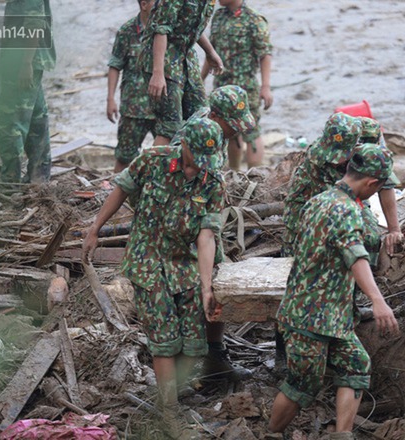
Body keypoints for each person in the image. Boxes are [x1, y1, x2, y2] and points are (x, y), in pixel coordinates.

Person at [82, 118, 225, 440]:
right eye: (197, 155)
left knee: (192, 342)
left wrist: (206, 287)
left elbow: (206, 236)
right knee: (164, 340)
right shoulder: (153, 160)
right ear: (184, 144)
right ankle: (169, 411)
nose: (201, 165)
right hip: (148, 261)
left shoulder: (212, 180)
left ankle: (174, 390)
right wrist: (94, 229)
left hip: (183, 263)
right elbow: (120, 191)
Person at [267, 145, 400, 440]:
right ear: (372, 184)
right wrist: (378, 301)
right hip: (310, 317)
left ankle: (342, 435)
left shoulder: (319, 200)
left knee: (356, 364)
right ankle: (271, 433)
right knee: (303, 383)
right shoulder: (346, 210)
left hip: (332, 316)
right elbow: (355, 256)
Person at [171, 84, 256, 381]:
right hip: (185, 223)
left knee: (216, 281)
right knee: (193, 288)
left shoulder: (216, 129)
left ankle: (214, 354)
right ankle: (189, 364)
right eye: (232, 126)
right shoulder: (191, 137)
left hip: (205, 215)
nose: (235, 132)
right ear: (216, 115)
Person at [202, 0, 273, 169]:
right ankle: (233, 176)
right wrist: (201, 79)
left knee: (251, 132)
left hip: (245, 88)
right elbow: (211, 53)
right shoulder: (218, 17)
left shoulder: (254, 19)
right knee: (229, 132)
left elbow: (265, 54)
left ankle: (254, 178)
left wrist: (266, 86)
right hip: (222, 88)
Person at [141, 0, 224, 146]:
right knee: (170, 126)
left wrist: (210, 53)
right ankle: (154, 167)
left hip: (186, 58)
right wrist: (158, 73)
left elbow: (191, 28)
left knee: (201, 118)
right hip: (164, 59)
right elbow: (161, 29)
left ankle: (192, 166)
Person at [281, 112, 363, 257]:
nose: (335, 160)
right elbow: (335, 200)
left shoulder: (362, 143)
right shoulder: (317, 158)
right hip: (302, 217)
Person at [0, 0, 56, 183]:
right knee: (37, 118)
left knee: (9, 124)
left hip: (22, 62)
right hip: (25, 60)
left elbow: (34, 23)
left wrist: (25, 63)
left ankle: (10, 183)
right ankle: (39, 179)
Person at [107, 0, 156, 173]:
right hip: (133, 110)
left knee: (170, 155)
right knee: (124, 158)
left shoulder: (167, 31)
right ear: (144, 5)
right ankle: (117, 197)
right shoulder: (127, 31)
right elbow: (115, 65)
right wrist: (110, 99)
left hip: (162, 108)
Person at [357, 117, 403, 255]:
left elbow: (386, 184)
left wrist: (394, 230)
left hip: (356, 196)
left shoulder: (374, 134)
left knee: (371, 239)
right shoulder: (334, 152)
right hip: (323, 196)